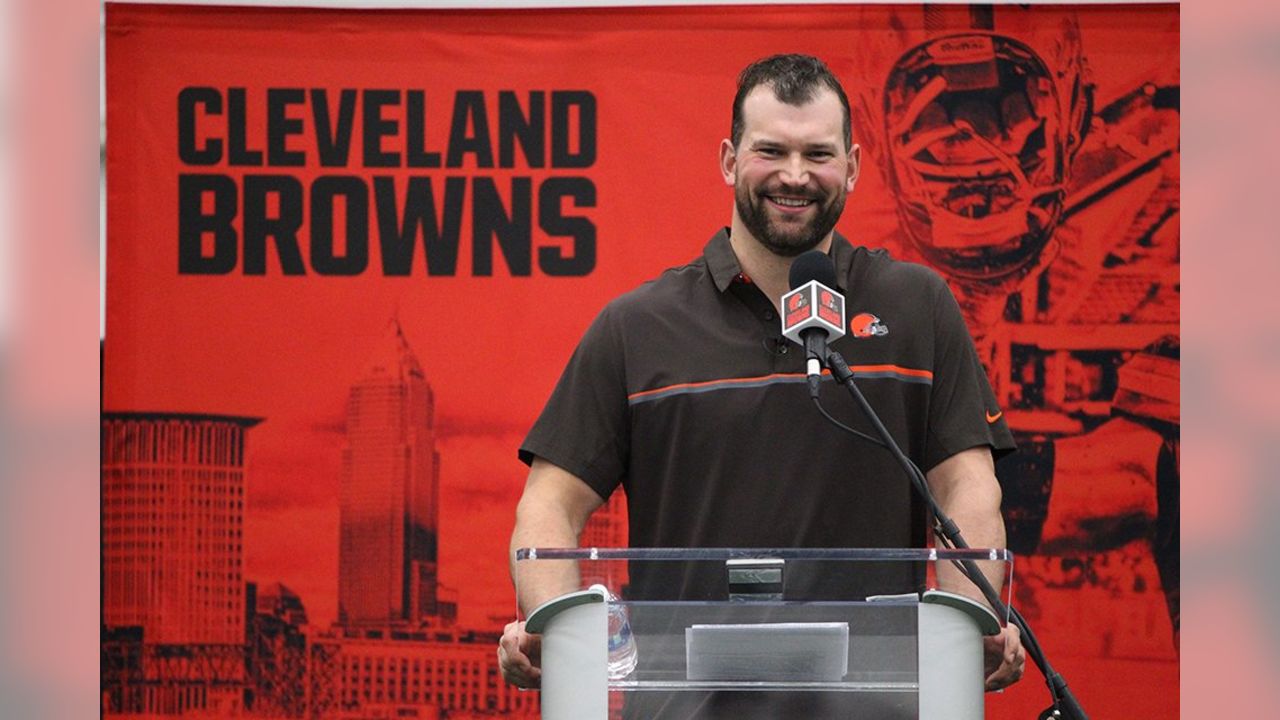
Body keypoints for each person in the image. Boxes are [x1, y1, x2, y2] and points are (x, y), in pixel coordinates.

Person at [498, 54, 1026, 706]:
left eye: (819, 154)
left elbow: (967, 486)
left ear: (855, 168)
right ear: (728, 160)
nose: (795, 175)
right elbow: (548, 503)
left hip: (876, 707)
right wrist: (554, 622)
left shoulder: (918, 308)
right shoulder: (637, 327)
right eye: (771, 150)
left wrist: (968, 618)